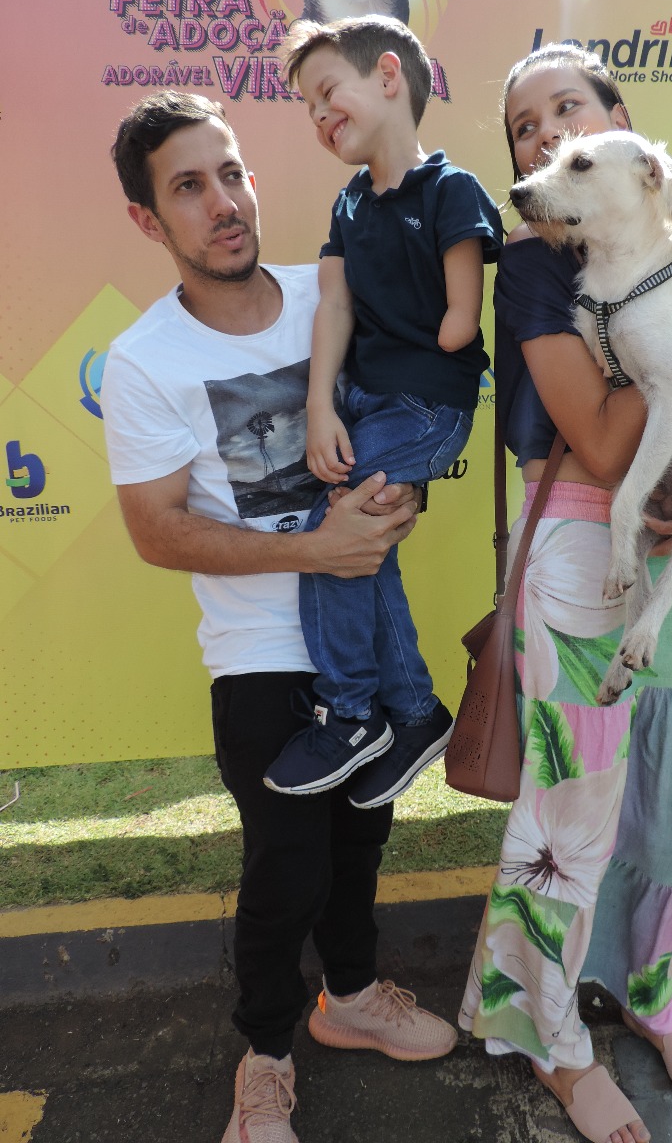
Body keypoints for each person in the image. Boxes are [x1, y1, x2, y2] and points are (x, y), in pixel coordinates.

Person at [101, 90, 460, 1143]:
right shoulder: (144, 360)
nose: (223, 202)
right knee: (287, 863)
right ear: (148, 220)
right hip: (259, 652)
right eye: (188, 186)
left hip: (367, 630)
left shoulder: (330, 296)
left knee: (361, 843)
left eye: (231, 172)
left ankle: (350, 994)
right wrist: (312, 546)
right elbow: (158, 530)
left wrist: (399, 492)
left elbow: (416, 418)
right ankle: (263, 1054)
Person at [457, 43, 672, 1143]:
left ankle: (653, 998)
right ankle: (555, 1042)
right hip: (579, 551)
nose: (545, 135)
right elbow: (604, 445)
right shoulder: (540, 268)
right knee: (572, 804)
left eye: (568, 110)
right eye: (522, 126)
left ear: (622, 128)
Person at [261, 14, 504, 809]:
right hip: (363, 398)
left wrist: (447, 331)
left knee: (336, 530)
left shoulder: (451, 188)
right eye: (308, 107)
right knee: (366, 541)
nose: (320, 116)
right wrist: (322, 406)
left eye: (328, 92)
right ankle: (414, 712)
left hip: (427, 402)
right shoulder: (348, 204)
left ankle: (351, 710)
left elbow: (465, 307)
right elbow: (333, 305)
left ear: (389, 76)